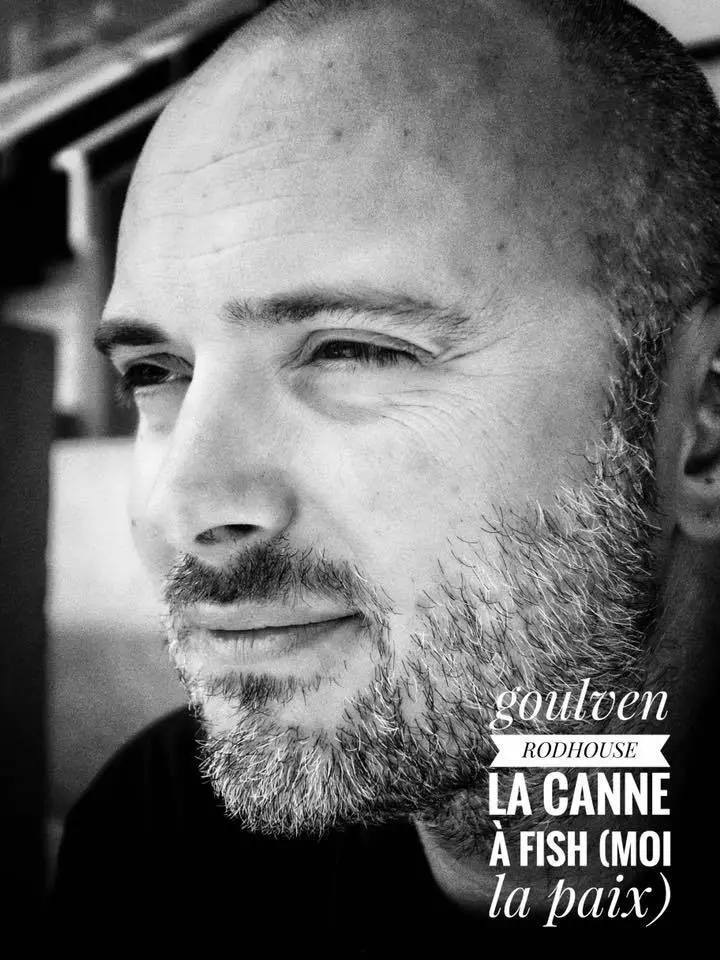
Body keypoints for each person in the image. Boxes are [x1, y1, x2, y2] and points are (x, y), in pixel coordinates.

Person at [51, 0, 720, 949]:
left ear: (702, 427)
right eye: (156, 373)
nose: (185, 507)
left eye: (351, 350)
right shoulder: (160, 842)